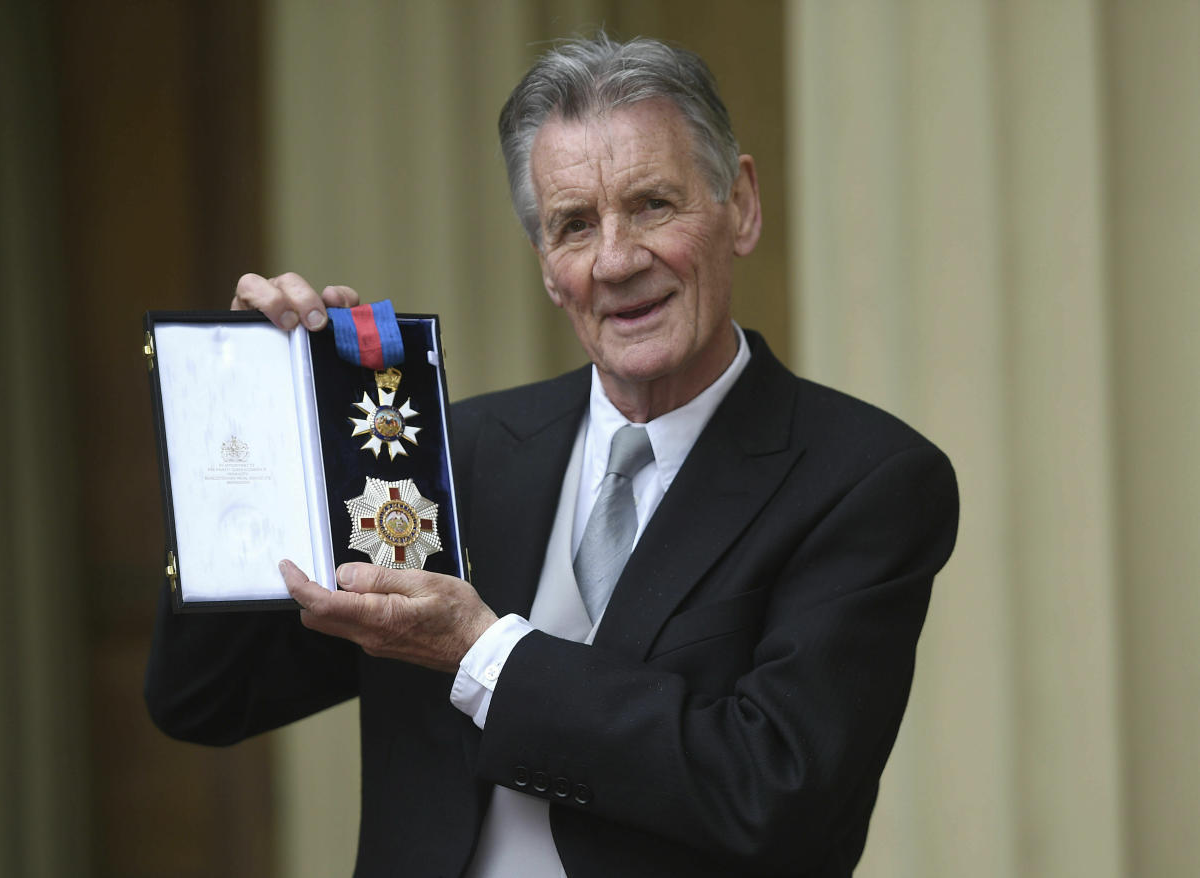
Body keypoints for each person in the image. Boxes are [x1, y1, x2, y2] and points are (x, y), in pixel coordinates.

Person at [146, 33, 958, 878]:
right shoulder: (453, 457)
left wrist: (482, 653)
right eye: (575, 225)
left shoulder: (865, 479)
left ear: (741, 205)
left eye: (652, 206)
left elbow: (778, 793)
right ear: (545, 264)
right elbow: (206, 700)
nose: (616, 260)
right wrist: (251, 415)